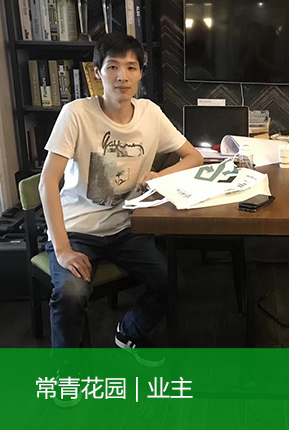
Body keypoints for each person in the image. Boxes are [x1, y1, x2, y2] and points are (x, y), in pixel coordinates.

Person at [39, 32, 203, 363]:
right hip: (76, 230)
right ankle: (66, 372)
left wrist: (160, 175)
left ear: (141, 72)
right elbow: (47, 183)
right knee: (70, 293)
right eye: (112, 67)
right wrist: (63, 249)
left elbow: (193, 157)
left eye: (131, 67)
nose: (122, 76)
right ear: (97, 72)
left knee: (170, 281)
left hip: (127, 228)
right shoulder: (76, 114)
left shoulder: (150, 114)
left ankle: (129, 332)